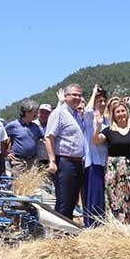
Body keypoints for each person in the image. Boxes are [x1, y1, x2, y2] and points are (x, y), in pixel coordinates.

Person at [93, 99, 130, 225]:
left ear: (126, 112)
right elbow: (95, 141)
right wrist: (99, 125)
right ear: (113, 115)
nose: (121, 114)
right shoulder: (109, 130)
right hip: (113, 168)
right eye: (117, 112)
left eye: (123, 111)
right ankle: (117, 224)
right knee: (114, 196)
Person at [45, 83, 85, 219]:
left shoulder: (77, 115)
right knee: (64, 200)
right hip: (64, 161)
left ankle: (66, 231)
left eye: (79, 95)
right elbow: (49, 137)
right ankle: (60, 235)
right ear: (66, 96)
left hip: (77, 162)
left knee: (72, 200)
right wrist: (52, 161)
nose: (77, 98)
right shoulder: (59, 113)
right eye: (74, 95)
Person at [82, 84, 109, 227]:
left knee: (102, 196)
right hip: (93, 161)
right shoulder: (90, 117)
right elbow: (87, 110)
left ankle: (102, 222)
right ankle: (91, 224)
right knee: (93, 195)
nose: (103, 104)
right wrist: (93, 93)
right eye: (100, 101)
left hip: (105, 162)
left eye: (104, 101)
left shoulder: (107, 120)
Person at [5, 99, 43, 176]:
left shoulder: (35, 127)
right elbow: (4, 140)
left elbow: (44, 138)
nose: (37, 114)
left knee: (32, 184)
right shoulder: (12, 126)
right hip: (18, 161)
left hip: (33, 162)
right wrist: (7, 152)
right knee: (18, 184)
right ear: (27, 112)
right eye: (35, 112)